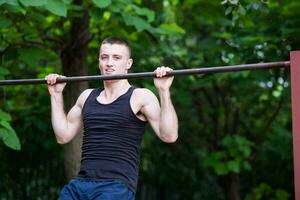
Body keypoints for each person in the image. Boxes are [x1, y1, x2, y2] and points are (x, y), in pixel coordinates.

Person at [45, 37, 178, 200]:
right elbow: (62, 136)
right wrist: (56, 94)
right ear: (99, 61)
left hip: (116, 187)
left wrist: (164, 91)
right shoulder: (86, 96)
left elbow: (169, 135)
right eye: (104, 57)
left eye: (116, 57)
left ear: (128, 63)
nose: (109, 63)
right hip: (79, 185)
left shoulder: (140, 97)